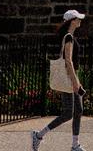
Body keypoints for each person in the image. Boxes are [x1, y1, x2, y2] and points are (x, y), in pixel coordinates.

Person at [32, 9, 85, 151]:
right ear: (72, 21)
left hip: (73, 76)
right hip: (69, 78)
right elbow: (68, 61)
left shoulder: (70, 36)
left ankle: (75, 144)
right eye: (78, 18)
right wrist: (75, 82)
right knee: (69, 112)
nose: (80, 21)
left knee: (78, 110)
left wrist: (76, 80)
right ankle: (39, 135)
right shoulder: (68, 37)